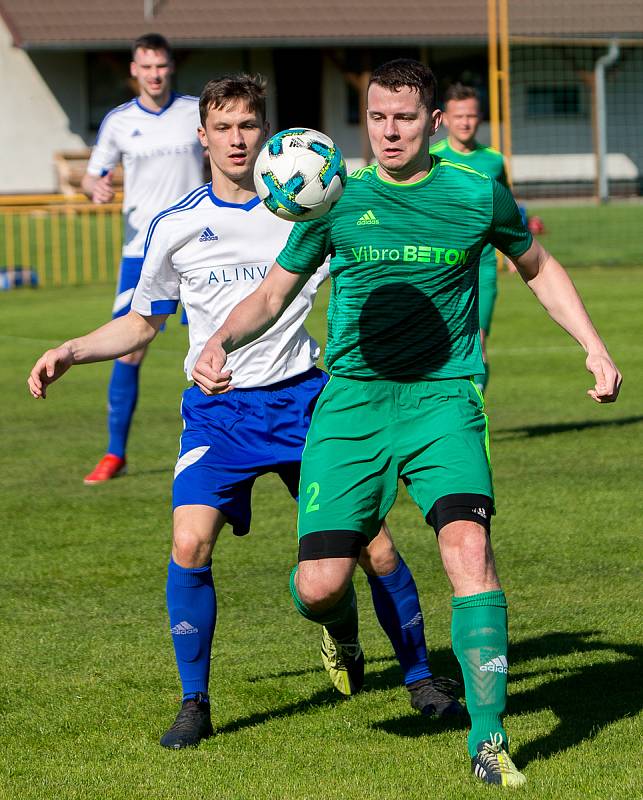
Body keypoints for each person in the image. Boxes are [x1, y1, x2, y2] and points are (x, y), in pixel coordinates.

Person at [192, 59, 622, 787]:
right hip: (353, 404)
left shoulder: (476, 193)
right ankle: (340, 634)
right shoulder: (332, 198)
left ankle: (488, 742)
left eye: (402, 117)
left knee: (467, 548)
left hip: (442, 400)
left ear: (431, 123)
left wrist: (592, 344)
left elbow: (537, 264)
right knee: (319, 585)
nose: (389, 130)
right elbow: (271, 294)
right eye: (377, 117)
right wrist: (219, 341)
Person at [28, 74, 464, 751]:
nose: (237, 139)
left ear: (266, 134)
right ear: (201, 137)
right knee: (187, 542)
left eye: (248, 126)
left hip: (306, 402)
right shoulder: (172, 226)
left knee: (374, 548)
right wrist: (73, 348)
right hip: (218, 416)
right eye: (223, 127)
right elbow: (143, 323)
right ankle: (195, 702)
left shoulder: (310, 210)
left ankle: (418, 678)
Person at [80, 33, 204, 485]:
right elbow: (93, 175)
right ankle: (116, 453)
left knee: (216, 345)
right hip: (142, 253)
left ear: (171, 67)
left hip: (200, 245)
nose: (154, 74)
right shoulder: (117, 121)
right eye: (146, 66)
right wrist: (94, 186)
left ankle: (230, 442)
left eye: (161, 66)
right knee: (129, 351)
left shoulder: (195, 111)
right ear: (134, 70)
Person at [430, 83, 508, 393]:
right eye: (459, 116)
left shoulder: (494, 161)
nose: (465, 122)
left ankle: (476, 410)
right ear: (445, 119)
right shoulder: (429, 158)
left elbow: (507, 209)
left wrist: (517, 253)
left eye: (472, 116)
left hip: (483, 265)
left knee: (479, 342)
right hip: (440, 266)